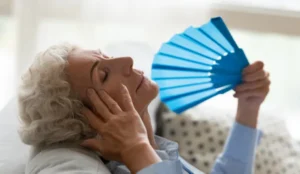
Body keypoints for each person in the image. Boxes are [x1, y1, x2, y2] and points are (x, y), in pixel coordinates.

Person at [18, 43, 270, 174]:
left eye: (104, 55)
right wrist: (136, 148)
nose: (127, 60)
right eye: (104, 75)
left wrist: (249, 108)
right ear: (90, 121)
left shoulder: (154, 152)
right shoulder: (134, 162)